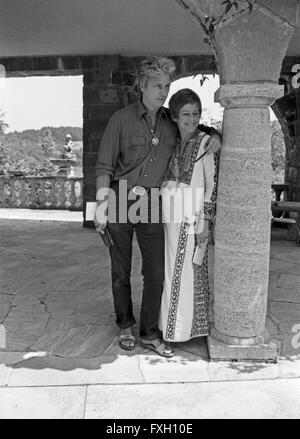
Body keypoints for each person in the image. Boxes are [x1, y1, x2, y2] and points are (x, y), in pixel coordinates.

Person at [94, 56, 221, 357]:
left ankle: (149, 332)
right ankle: (125, 324)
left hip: (152, 202)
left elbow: (195, 129)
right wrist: (100, 206)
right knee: (120, 270)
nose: (163, 92)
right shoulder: (121, 119)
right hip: (120, 199)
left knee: (155, 271)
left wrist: (216, 135)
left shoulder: (169, 120)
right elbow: (103, 167)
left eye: (166, 86)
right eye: (157, 86)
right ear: (142, 86)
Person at [159, 89, 219, 343]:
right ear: (174, 116)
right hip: (168, 216)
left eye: (196, 113)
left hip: (190, 217)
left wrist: (205, 222)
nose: (192, 119)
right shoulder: (169, 138)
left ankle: (178, 331)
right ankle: (170, 326)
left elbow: (211, 187)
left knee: (184, 270)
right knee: (170, 270)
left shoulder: (206, 142)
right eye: (186, 114)